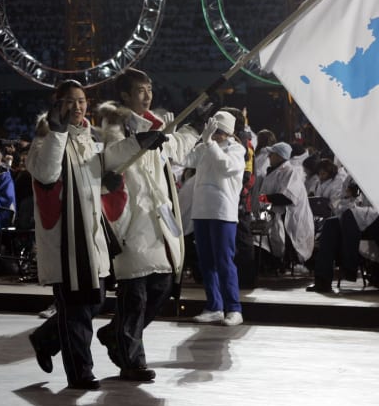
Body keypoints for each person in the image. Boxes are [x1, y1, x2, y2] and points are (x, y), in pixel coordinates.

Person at [26, 79, 156, 390]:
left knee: (92, 301)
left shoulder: (90, 141)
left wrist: (140, 143)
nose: (78, 106)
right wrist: (57, 132)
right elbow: (47, 173)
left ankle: (46, 338)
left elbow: (109, 158)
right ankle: (80, 372)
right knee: (77, 309)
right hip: (67, 246)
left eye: (82, 100)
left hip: (90, 241)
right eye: (70, 100)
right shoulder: (44, 141)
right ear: (57, 104)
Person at [94, 68, 197, 381]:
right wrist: (139, 142)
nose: (147, 94)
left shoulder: (158, 123)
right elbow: (109, 159)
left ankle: (116, 333)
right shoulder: (113, 125)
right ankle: (131, 360)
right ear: (125, 94)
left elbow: (174, 147)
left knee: (162, 286)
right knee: (135, 293)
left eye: (150, 88)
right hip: (129, 218)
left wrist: (197, 128)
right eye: (140, 90)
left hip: (157, 220)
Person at [184, 110, 246, 326]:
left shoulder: (237, 149)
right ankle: (214, 306)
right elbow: (184, 159)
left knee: (224, 261)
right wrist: (175, 137)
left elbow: (226, 167)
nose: (215, 133)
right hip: (201, 211)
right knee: (206, 262)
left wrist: (209, 143)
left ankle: (234, 308)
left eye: (219, 130)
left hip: (222, 212)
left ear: (228, 132)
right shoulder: (205, 146)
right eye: (213, 129)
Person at [258, 141, 315, 272]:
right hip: (273, 214)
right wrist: (262, 219)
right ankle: (271, 263)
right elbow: (263, 200)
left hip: (290, 217)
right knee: (260, 235)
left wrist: (264, 199)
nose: (268, 157)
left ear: (279, 156)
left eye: (271, 155)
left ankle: (285, 262)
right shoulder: (272, 173)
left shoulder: (290, 172)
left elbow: (286, 198)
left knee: (282, 239)